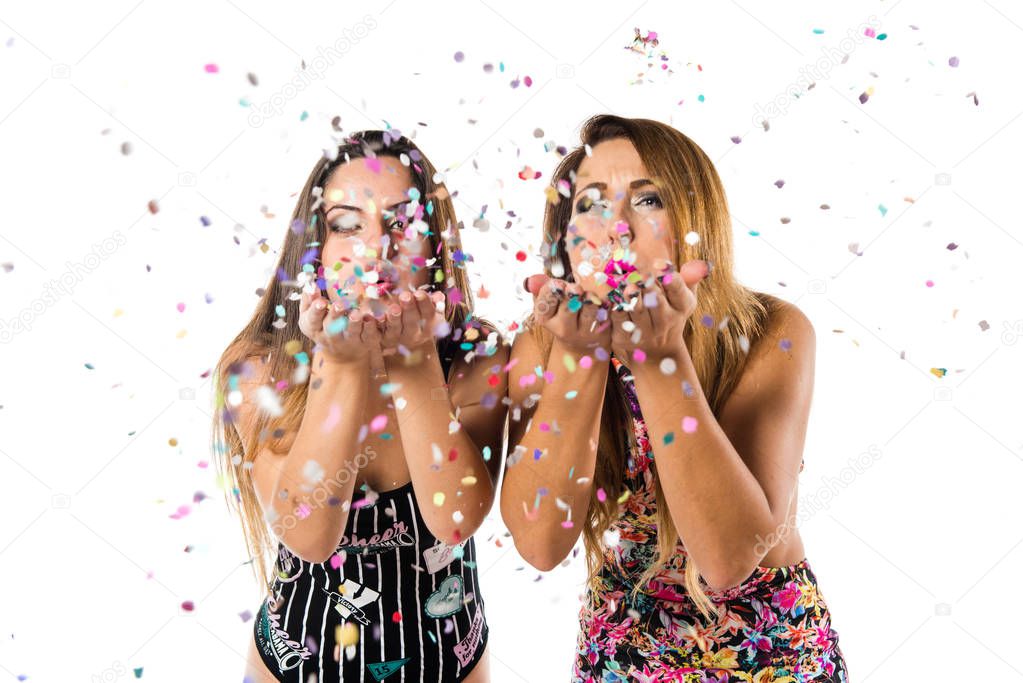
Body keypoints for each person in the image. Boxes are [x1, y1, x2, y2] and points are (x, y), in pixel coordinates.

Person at [501, 114, 849, 682]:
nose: (614, 226)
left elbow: (727, 560)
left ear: (694, 221)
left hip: (767, 650)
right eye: (589, 203)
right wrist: (579, 358)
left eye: (646, 200)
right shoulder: (543, 342)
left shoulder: (770, 331)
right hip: (619, 652)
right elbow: (539, 543)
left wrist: (658, 358)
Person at [211, 129, 507, 681]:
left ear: (436, 249)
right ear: (316, 253)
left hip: (452, 667)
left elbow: (456, 519)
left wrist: (413, 359)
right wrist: (340, 365)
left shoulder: (477, 358)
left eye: (402, 223)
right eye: (347, 224)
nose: (378, 247)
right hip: (295, 667)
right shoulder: (257, 371)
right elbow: (308, 536)